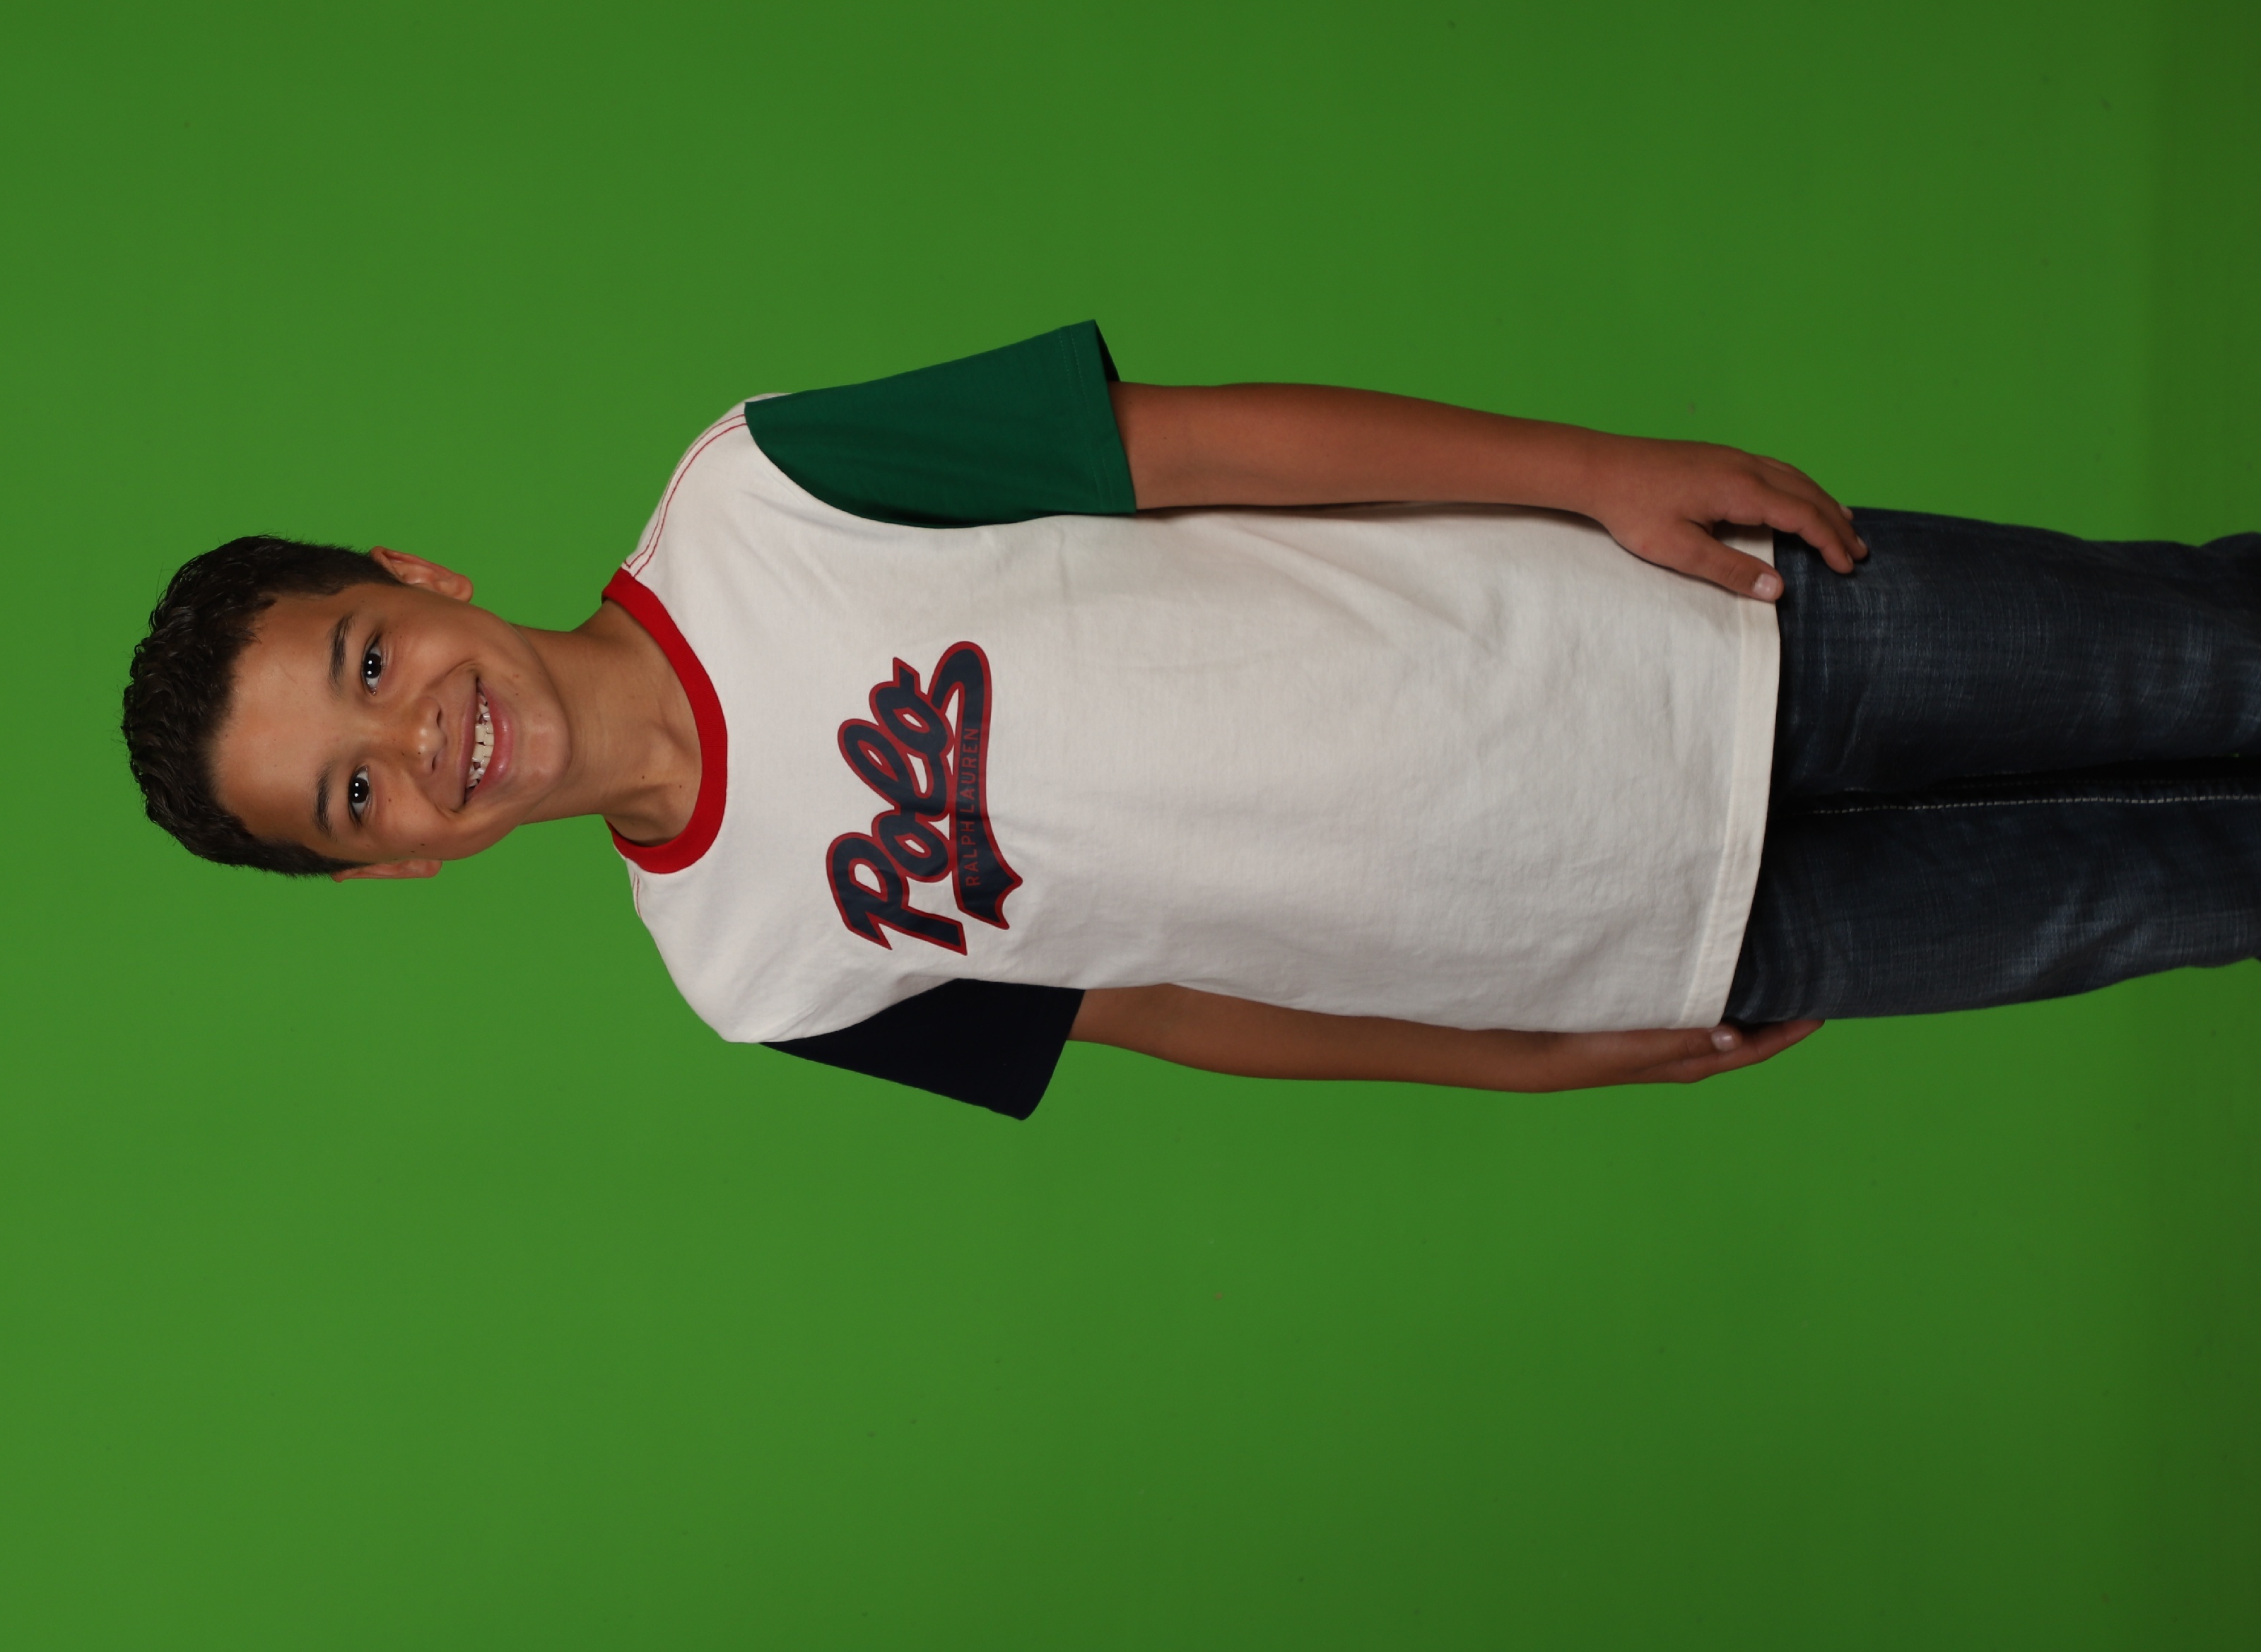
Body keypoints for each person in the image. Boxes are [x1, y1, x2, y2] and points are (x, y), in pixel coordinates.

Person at [119, 324, 2261, 1118]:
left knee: (2206, 655)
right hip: (1643, 937)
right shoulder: (747, 979)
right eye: (353, 795)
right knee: (2187, 893)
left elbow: (1205, 445)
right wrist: (1518, 1060)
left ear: (416, 579)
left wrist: (1592, 470)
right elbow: (1149, 1009)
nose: (417, 740)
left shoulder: (764, 489)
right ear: (392, 864)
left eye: (365, 664)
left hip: (1678, 641)